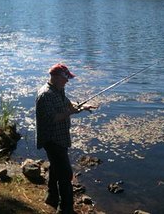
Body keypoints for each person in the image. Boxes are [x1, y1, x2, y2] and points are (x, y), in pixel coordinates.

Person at [35, 63, 97, 214]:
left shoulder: (58, 89)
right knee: (65, 174)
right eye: (65, 78)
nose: (67, 81)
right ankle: (65, 208)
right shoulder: (46, 95)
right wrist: (71, 113)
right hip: (52, 139)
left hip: (61, 138)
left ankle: (51, 197)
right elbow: (52, 118)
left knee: (56, 169)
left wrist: (82, 107)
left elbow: (68, 104)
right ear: (55, 77)